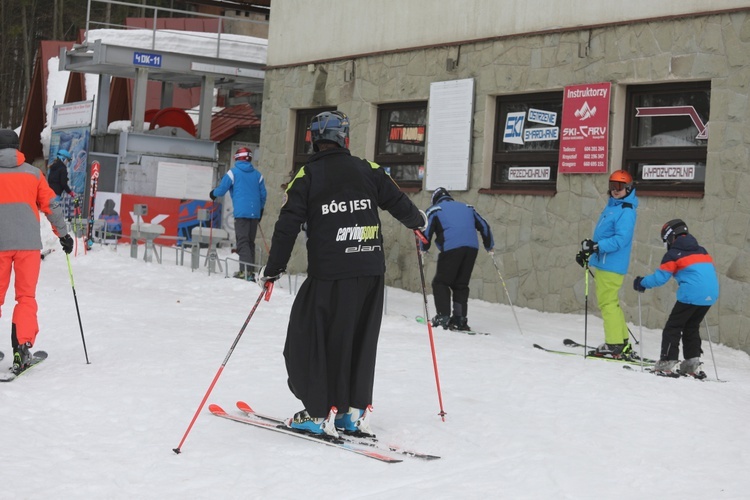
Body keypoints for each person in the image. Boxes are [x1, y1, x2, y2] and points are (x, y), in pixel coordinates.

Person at [260, 111, 426, 437]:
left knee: (307, 341)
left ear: (313, 140)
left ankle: (319, 412)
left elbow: (287, 225)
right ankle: (351, 413)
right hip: (370, 271)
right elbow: (399, 202)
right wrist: (418, 224)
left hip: (331, 274)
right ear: (345, 139)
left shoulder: (307, 176)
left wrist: (273, 269)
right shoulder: (369, 169)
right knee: (359, 340)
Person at [0, 130, 74, 374]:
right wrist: (63, 234)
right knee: (25, 298)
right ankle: (21, 348)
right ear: (17, 147)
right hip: (28, 246)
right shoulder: (34, 174)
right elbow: (51, 206)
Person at [633, 219, 719, 378]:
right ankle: (691, 363)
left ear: (671, 238)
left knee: (673, 327)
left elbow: (660, 278)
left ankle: (667, 361)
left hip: (692, 293)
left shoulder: (673, 254)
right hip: (710, 294)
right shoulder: (702, 250)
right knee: (691, 326)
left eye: (666, 241)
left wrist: (642, 282)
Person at [576, 169, 639, 359]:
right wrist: (588, 253)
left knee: (607, 303)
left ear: (628, 188)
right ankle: (621, 341)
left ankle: (613, 344)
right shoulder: (613, 206)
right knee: (611, 302)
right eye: (612, 186)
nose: (615, 190)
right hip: (605, 262)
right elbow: (603, 236)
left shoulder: (626, 210)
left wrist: (595, 247)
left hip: (612, 265)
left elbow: (620, 239)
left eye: (620, 187)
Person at [419, 187, 494, 332]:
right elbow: (484, 225)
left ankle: (443, 317)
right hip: (472, 248)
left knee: (441, 283)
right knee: (460, 284)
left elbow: (425, 230)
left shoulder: (435, 209)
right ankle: (460, 319)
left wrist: (423, 248)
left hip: (452, 247)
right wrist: (489, 245)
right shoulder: (468, 207)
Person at [209, 147, 267, 281]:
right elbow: (263, 195)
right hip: (254, 213)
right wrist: (260, 210)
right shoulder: (258, 175)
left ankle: (245, 272)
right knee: (250, 242)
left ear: (237, 158)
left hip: (242, 213)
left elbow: (222, 189)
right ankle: (250, 271)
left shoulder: (233, 173)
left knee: (242, 242)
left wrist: (213, 194)